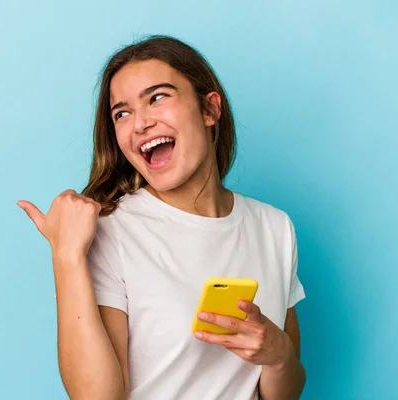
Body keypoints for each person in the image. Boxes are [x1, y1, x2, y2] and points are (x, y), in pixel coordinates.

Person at [17, 35, 306, 400]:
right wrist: (66, 256)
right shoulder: (111, 232)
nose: (139, 124)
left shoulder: (275, 227)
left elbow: (286, 391)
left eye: (157, 97)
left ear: (209, 110)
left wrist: (278, 356)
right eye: (122, 113)